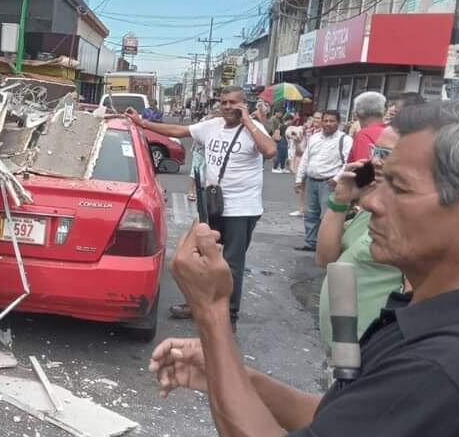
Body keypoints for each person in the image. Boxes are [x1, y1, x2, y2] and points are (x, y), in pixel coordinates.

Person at [149, 101, 459, 437]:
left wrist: (212, 312)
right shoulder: (426, 315)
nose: (370, 202)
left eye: (399, 187)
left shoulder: (446, 363)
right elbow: (342, 422)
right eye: (377, 181)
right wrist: (234, 376)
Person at [127, 86, 276, 329]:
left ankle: (229, 315)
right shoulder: (212, 126)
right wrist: (142, 123)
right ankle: (197, 303)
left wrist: (248, 120)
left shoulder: (253, 129)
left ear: (243, 104)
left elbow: (269, 151)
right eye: (223, 102)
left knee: (230, 263)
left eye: (233, 103)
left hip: (241, 209)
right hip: (212, 206)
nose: (227, 107)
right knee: (187, 259)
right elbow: (178, 130)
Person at [315, 125, 406, 354]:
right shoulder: (373, 203)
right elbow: (326, 258)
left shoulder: (413, 217)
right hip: (343, 348)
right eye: (375, 150)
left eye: (385, 154)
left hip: (372, 351)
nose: (374, 160)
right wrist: (340, 200)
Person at [295, 111, 351, 252]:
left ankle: (328, 246)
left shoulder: (345, 140)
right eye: (325, 121)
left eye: (331, 121)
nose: (328, 124)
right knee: (310, 214)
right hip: (312, 181)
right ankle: (311, 242)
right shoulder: (314, 138)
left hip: (329, 183)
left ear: (338, 122)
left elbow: (348, 162)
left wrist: (336, 179)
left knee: (329, 216)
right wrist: (299, 179)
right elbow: (305, 159)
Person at [345, 91, 386, 163]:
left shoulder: (364, 135)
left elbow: (363, 169)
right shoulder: (392, 132)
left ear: (356, 114)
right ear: (383, 111)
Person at [269, 108, 289, 173]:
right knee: (279, 153)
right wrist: (274, 135)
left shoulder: (280, 120)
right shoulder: (273, 118)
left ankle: (281, 167)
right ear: (276, 113)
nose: (281, 114)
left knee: (282, 153)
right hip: (277, 136)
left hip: (280, 136)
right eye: (280, 113)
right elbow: (271, 128)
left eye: (281, 113)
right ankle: (275, 167)